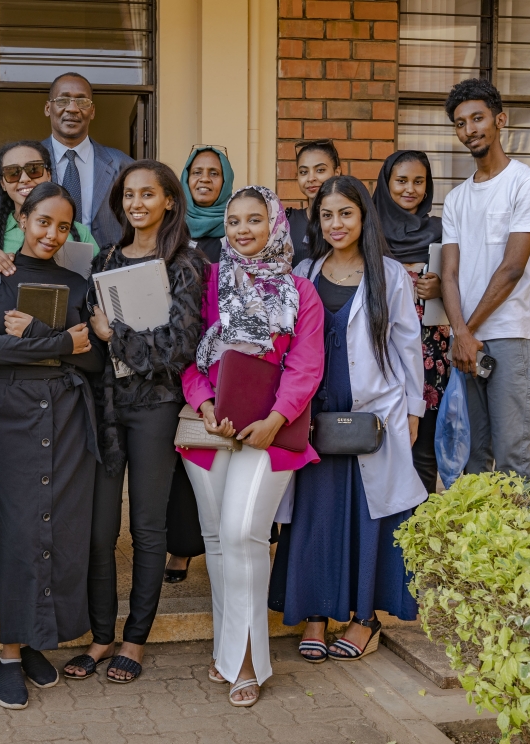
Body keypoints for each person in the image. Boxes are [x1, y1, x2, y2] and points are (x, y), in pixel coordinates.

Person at [268, 175, 426, 664]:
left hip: (372, 415)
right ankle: (315, 612)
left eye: (346, 214)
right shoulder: (305, 270)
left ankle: (363, 619)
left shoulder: (391, 275)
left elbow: (407, 346)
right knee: (315, 515)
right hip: (312, 415)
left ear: (363, 218)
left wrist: (414, 409)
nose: (336, 224)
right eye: (327, 214)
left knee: (367, 517)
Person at [64, 160, 207, 684]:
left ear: (170, 200)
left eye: (148, 194)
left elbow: (178, 348)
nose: (136, 203)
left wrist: (113, 336)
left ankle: (135, 639)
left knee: (148, 528)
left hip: (156, 408)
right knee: (101, 533)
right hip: (105, 407)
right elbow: (88, 331)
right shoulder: (103, 258)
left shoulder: (187, 264)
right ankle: (101, 636)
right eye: (128, 195)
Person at [180, 185, 324, 705]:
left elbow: (306, 366)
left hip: (271, 433)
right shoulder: (209, 283)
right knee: (217, 539)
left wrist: (275, 418)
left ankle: (246, 658)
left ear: (275, 225)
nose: (242, 230)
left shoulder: (299, 290)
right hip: (211, 429)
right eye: (234, 221)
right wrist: (203, 405)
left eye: (254, 220)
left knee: (245, 533)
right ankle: (225, 649)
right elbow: (189, 358)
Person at [0, 181, 105, 709]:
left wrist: (39, 334)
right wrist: (58, 341)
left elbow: (92, 358)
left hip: (67, 416)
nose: (52, 234)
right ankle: (7, 654)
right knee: (21, 534)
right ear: (22, 218)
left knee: (57, 529)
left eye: (63, 226)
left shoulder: (77, 282)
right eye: (43, 221)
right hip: (8, 419)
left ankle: (32, 644)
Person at [440, 78, 530, 478]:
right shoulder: (455, 199)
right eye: (460, 123)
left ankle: (516, 541)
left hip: (505, 335)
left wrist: (466, 332)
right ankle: (478, 541)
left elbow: (512, 267)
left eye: (477, 118)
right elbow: (448, 273)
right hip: (464, 341)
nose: (469, 129)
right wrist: (460, 334)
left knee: (511, 457)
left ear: (500, 120)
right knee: (473, 455)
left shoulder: (527, 183)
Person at [164, 144, 236, 584]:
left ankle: (225, 541)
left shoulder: (237, 228)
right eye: (196, 172)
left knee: (222, 448)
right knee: (183, 450)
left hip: (223, 358)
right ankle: (183, 547)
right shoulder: (172, 231)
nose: (205, 179)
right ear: (186, 179)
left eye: (213, 172)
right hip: (177, 356)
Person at [373, 151, 448, 494]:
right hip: (380, 346)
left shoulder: (441, 230)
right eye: (401, 180)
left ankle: (421, 531)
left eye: (419, 182)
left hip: (430, 350)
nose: (410, 189)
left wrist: (442, 287)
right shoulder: (368, 229)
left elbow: (466, 280)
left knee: (424, 444)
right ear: (387, 183)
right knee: (380, 440)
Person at [41, 72, 134, 248]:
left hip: (106, 267)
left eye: (82, 101)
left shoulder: (121, 164)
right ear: (48, 108)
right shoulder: (31, 161)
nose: (73, 109)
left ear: (92, 111)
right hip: (45, 268)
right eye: (63, 100)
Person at [0, 140, 98, 276]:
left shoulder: (80, 233)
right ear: (3, 183)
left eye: (34, 169)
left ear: (48, 175)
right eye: (12, 172)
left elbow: (98, 281)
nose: (24, 179)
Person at [287, 140, 342, 266]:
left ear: (336, 172)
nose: (311, 178)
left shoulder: (350, 221)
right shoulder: (287, 221)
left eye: (320, 170)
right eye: (303, 172)